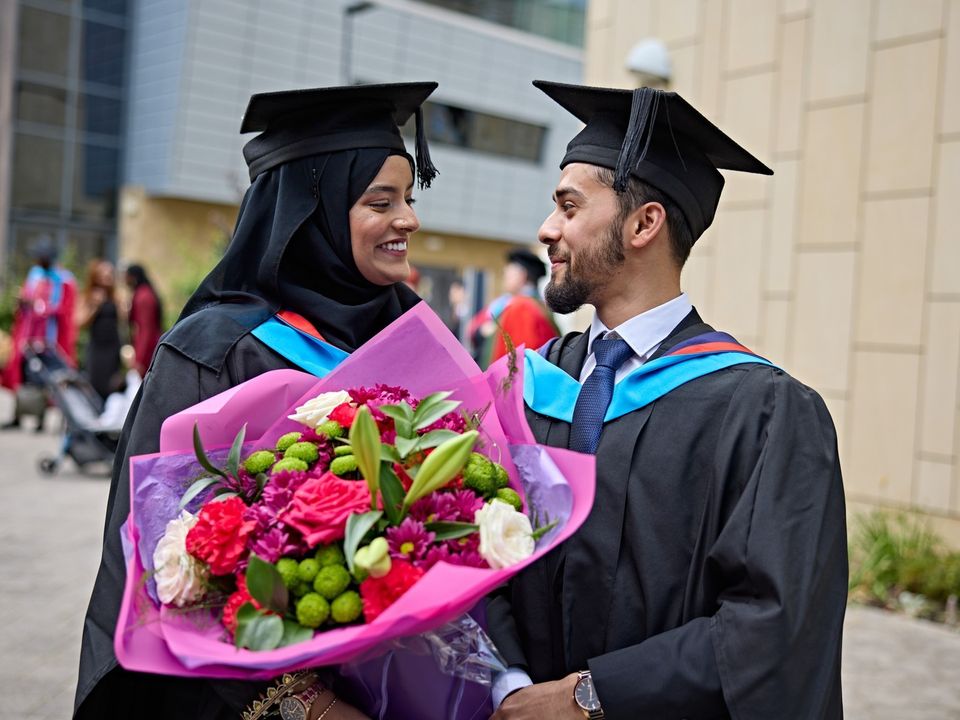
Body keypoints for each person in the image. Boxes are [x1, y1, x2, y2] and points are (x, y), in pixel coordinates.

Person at [74, 82, 440, 720]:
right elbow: (171, 564)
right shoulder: (215, 351)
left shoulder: (414, 335)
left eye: (407, 198)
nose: (408, 219)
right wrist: (304, 705)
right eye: (381, 201)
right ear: (311, 213)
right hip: (242, 700)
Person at [487, 81, 847, 719]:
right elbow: (473, 552)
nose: (547, 229)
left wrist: (588, 699)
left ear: (643, 223)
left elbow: (775, 621)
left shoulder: (763, 411)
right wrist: (508, 684)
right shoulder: (526, 386)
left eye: (570, 207)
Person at [1, 234, 77, 429]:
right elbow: (26, 302)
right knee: (23, 375)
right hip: (28, 335)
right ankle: (18, 416)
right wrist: (23, 303)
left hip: (49, 339)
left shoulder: (64, 281)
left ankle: (40, 420)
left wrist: (38, 305)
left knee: (45, 379)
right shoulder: (34, 276)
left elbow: (64, 310)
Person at [468, 248, 558, 366]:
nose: (504, 275)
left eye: (509, 272)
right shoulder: (534, 305)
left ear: (522, 275)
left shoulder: (522, 308)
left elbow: (515, 365)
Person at [76, 259, 123, 400]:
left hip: (113, 347)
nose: (108, 275)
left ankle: (107, 417)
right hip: (97, 347)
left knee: (111, 384)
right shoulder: (88, 295)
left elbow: (123, 323)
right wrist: (94, 307)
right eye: (104, 272)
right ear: (96, 276)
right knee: (95, 382)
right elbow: (79, 322)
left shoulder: (116, 297)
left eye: (110, 272)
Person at [123, 264, 164, 377]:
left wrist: (139, 360)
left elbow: (146, 329)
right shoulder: (144, 293)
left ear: (133, 277)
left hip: (148, 352)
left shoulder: (143, 297)